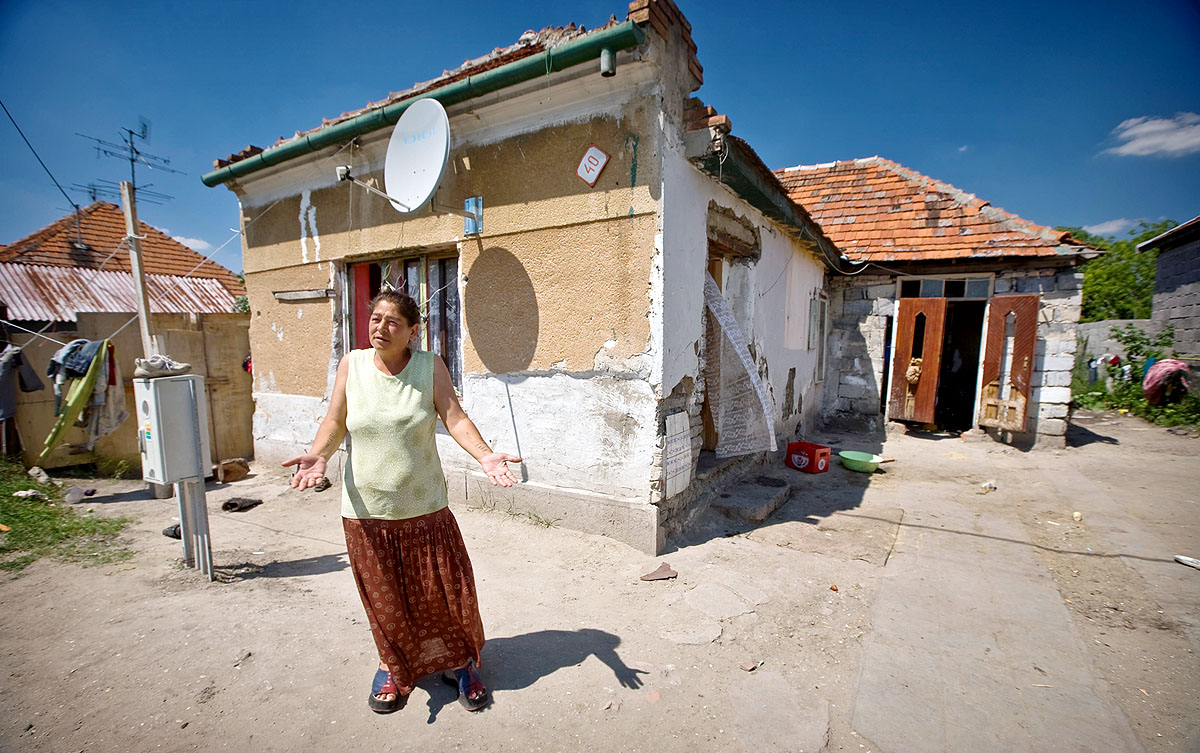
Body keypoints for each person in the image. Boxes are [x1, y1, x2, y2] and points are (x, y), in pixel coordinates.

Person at [283, 289, 520, 714]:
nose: (381, 327)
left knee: (444, 593)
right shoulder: (351, 365)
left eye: (392, 321)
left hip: (425, 509)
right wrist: (318, 454)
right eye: (375, 318)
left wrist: (485, 456)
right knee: (386, 599)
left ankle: (460, 664)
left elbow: (454, 417)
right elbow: (335, 420)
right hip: (366, 512)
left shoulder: (430, 367)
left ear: (412, 331)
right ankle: (393, 665)